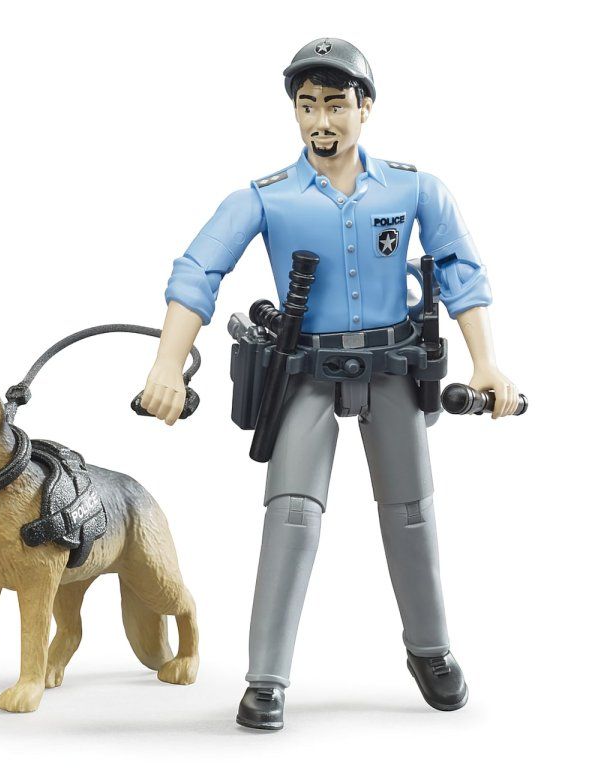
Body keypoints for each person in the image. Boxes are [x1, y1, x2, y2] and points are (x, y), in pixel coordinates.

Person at [140, 38, 521, 730]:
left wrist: (486, 364)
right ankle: (266, 677)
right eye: (308, 105)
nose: (322, 121)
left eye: (336, 105)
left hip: (393, 366)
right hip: (305, 371)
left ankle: (430, 648)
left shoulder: (415, 189)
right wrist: (169, 363)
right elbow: (197, 270)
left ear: (364, 108)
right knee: (291, 515)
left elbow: (461, 269)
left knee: (411, 513)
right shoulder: (266, 197)